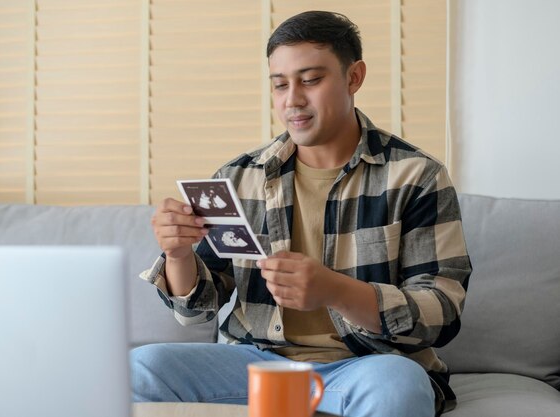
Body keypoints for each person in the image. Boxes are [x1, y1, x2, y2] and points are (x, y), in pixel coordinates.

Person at [131, 10, 472, 417]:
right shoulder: (240, 178)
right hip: (256, 365)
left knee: (398, 387)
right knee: (139, 369)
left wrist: (337, 291)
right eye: (279, 84)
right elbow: (196, 310)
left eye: (310, 80)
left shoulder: (416, 177)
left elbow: (442, 312)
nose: (292, 99)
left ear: (354, 77)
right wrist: (178, 255)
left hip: (367, 367)